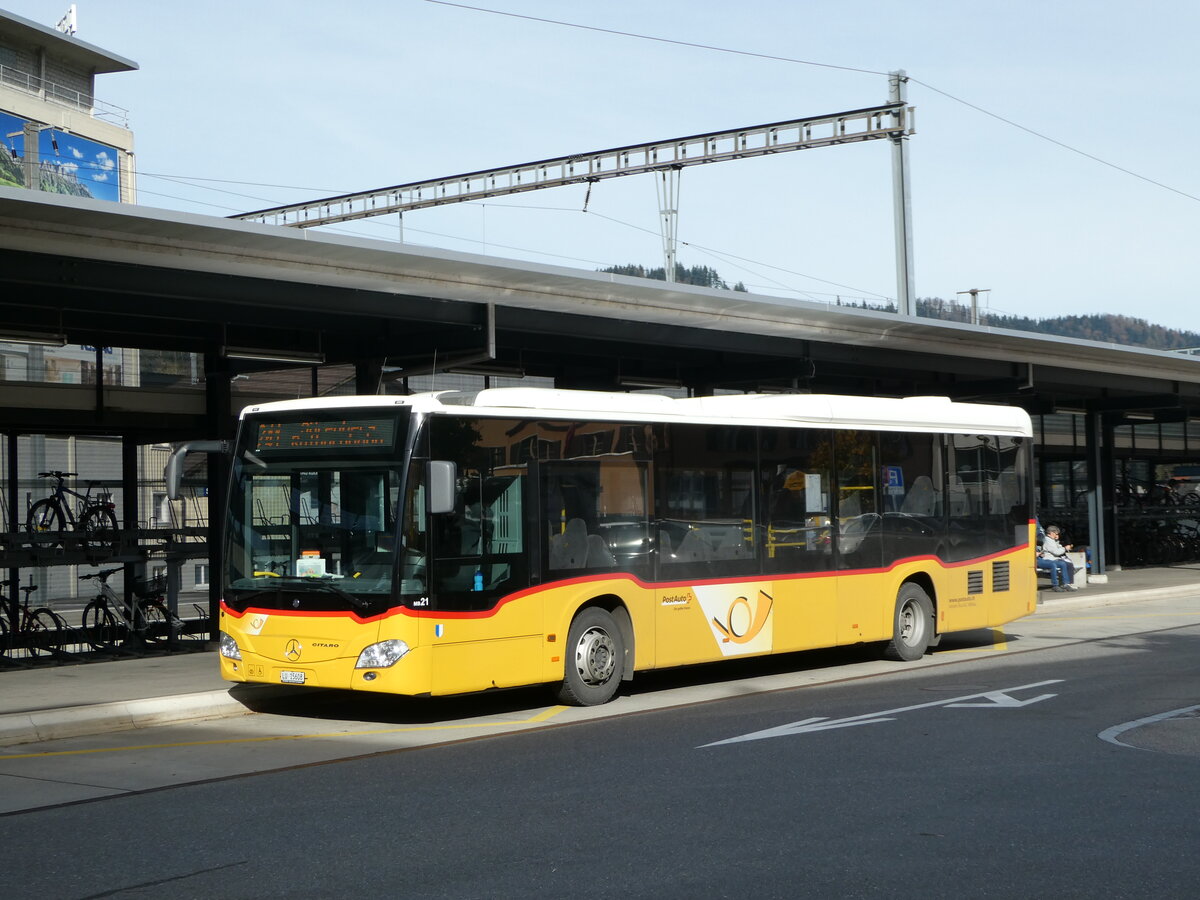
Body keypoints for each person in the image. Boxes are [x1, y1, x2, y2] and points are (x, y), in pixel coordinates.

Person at [1038, 524, 1077, 591]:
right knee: (1063, 564)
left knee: (1064, 564)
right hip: (1049, 559)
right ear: (1051, 533)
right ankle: (1057, 585)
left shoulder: (1053, 540)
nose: (1057, 535)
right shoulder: (1048, 541)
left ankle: (1066, 583)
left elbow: (1059, 547)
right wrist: (1065, 549)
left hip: (1054, 559)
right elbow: (1056, 552)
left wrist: (1058, 542)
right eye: (1056, 533)